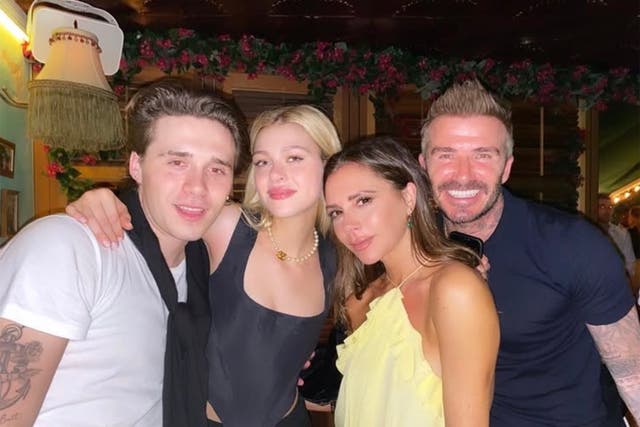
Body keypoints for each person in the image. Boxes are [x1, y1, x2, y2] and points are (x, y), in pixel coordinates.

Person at [66, 104, 342, 426]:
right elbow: (156, 216)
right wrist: (106, 199)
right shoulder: (229, 226)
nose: (275, 174)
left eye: (294, 158)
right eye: (262, 161)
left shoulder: (336, 256)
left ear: (329, 166)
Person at [0, 80, 245, 426]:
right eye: (177, 162)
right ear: (136, 166)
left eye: (217, 169)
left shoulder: (205, 265)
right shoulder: (68, 248)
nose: (197, 187)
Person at [418, 79, 640, 426]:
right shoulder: (415, 247)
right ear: (424, 164)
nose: (462, 175)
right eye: (445, 155)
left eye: (482, 155)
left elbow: (633, 374)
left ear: (506, 168)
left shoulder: (572, 245)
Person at [323, 136, 500, 426]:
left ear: (407, 198)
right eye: (336, 213)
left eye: (363, 201)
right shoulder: (360, 302)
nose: (349, 225)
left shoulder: (455, 290)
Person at [597, 193, 636, 278]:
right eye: (602, 207)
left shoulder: (622, 234)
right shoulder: (588, 232)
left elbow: (630, 264)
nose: (607, 211)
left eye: (610, 207)